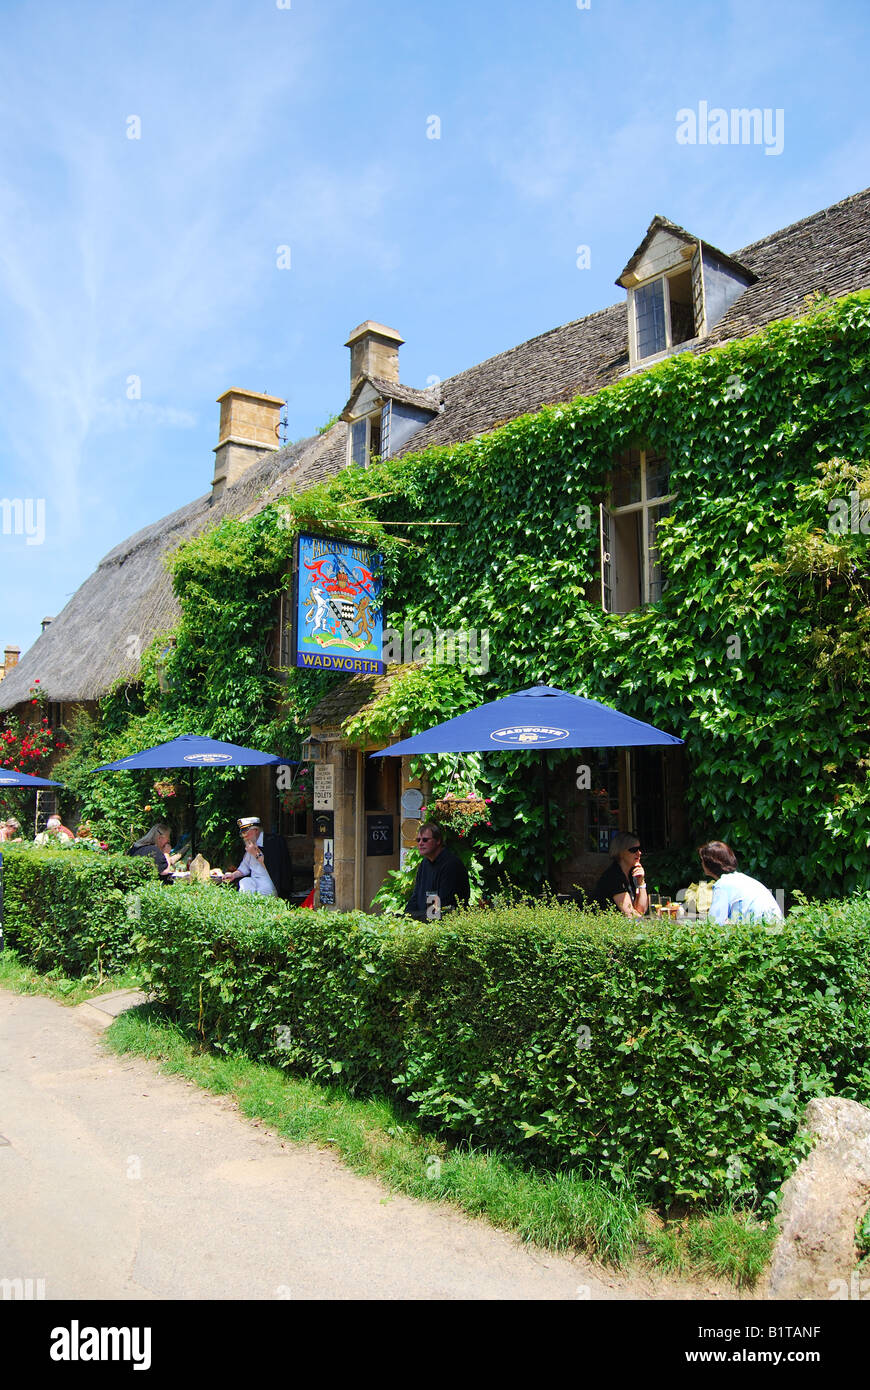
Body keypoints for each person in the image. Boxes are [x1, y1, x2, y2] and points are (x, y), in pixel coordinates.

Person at [698, 841, 783, 924]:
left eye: (702, 860)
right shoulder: (741, 878)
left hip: (760, 929)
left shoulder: (722, 885)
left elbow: (715, 923)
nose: (701, 864)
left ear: (710, 864)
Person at [406, 821, 470, 920]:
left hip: (447, 923)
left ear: (438, 840)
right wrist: (406, 916)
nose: (420, 843)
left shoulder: (451, 865)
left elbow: (443, 905)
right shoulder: (424, 864)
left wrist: (415, 917)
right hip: (425, 919)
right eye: (418, 840)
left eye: (425, 840)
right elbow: (416, 896)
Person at [222, 817, 293, 900]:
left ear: (255, 830)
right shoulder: (249, 844)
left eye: (245, 833)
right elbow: (244, 868)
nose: (244, 837)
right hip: (255, 880)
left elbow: (273, 868)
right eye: (242, 834)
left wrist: (255, 853)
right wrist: (233, 875)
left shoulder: (273, 842)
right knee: (245, 882)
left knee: (261, 893)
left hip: (270, 882)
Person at [594, 831, 649, 917]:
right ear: (621, 852)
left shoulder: (633, 874)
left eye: (639, 849)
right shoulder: (613, 877)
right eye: (633, 850)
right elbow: (630, 914)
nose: (639, 853)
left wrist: (641, 883)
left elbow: (641, 911)